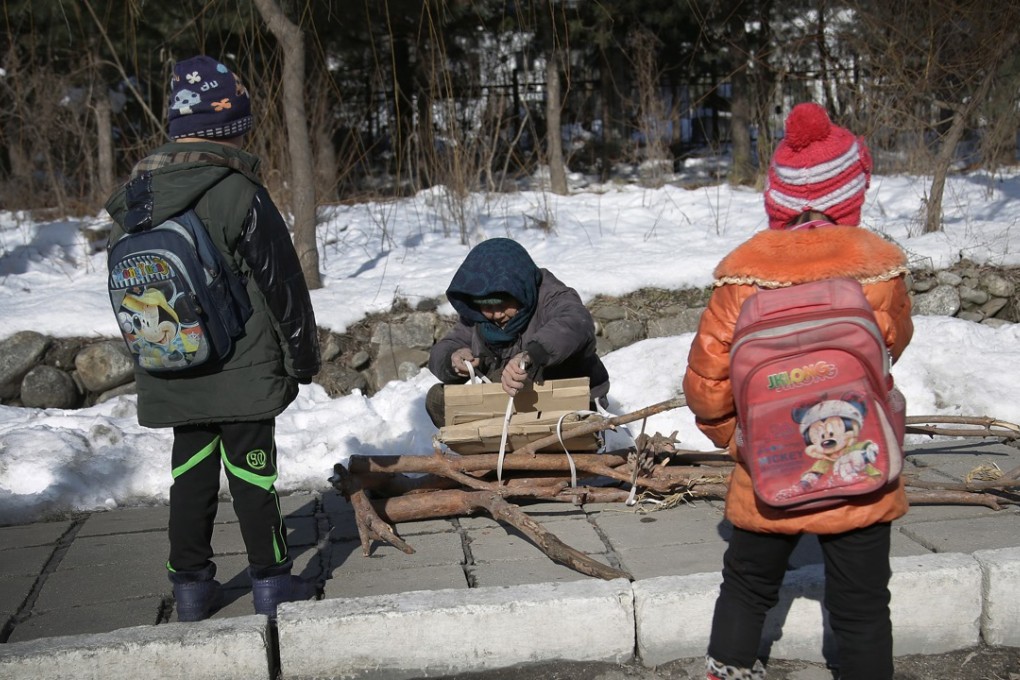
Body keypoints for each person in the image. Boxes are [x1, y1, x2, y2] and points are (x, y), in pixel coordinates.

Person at [682, 103, 914, 680]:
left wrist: (739, 439)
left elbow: (708, 382)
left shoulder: (742, 276)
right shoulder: (878, 270)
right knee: (861, 606)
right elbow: (891, 348)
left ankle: (730, 672)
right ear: (851, 196)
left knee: (748, 583)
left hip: (767, 469)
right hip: (861, 465)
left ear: (777, 202)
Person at [104, 55, 321, 621]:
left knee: (190, 477)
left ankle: (191, 589)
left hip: (171, 361)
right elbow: (283, 286)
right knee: (253, 474)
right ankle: (272, 581)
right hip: (242, 367)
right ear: (230, 128)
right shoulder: (238, 191)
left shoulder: (138, 196)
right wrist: (303, 359)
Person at [425, 237, 609, 427]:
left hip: (567, 402)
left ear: (519, 292)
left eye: (503, 304)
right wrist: (453, 359)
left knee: (501, 381)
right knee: (438, 399)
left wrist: (530, 356)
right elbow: (447, 346)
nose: (496, 314)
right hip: (509, 407)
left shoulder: (550, 295)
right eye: (486, 307)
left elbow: (575, 322)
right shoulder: (478, 317)